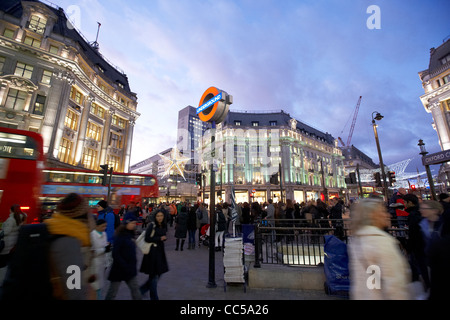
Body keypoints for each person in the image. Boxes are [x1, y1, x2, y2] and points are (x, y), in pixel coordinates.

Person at [348, 198, 411, 299]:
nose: (388, 215)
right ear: (373, 215)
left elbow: (371, 277)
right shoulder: (381, 241)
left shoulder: (358, 240)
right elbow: (393, 284)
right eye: (383, 211)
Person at [44, 193, 96, 299]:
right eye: (89, 214)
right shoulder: (69, 244)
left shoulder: (54, 229)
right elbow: (75, 290)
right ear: (84, 216)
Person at [105, 212, 142, 300]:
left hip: (130, 269)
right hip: (119, 269)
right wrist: (125, 265)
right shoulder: (120, 236)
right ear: (126, 223)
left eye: (134, 223)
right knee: (112, 292)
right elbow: (115, 253)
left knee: (135, 290)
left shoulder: (130, 234)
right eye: (132, 223)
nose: (134, 225)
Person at [139, 209, 169, 300]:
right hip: (152, 254)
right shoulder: (152, 225)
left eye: (161, 216)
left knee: (157, 274)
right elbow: (147, 238)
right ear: (155, 217)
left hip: (160, 253)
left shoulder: (163, 225)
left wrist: (163, 238)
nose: (160, 218)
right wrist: (160, 238)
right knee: (154, 276)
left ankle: (142, 290)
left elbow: (162, 236)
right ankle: (154, 297)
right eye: (158, 216)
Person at [0, 204, 27, 285]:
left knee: (2, 263)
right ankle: (10, 278)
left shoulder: (11, 219)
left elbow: (7, 231)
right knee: (9, 261)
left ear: (11, 210)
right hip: (13, 243)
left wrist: (1, 232)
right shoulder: (21, 218)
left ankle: (1, 281)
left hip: (6, 243)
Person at [90, 219, 111, 299]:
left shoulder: (104, 234)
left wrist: (107, 246)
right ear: (97, 226)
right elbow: (92, 251)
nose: (104, 228)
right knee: (96, 286)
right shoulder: (92, 235)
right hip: (95, 264)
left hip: (102, 263)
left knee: (100, 284)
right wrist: (104, 249)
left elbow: (104, 244)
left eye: (105, 226)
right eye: (102, 226)